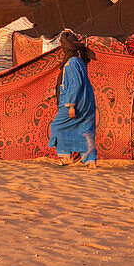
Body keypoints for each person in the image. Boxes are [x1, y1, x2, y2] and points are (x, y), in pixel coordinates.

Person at [49, 31, 97, 166]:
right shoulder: (79, 61)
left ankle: (65, 156)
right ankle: (90, 160)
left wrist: (71, 105)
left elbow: (75, 84)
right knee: (85, 129)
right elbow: (70, 83)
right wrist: (55, 93)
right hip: (87, 101)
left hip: (76, 102)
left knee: (58, 126)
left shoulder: (72, 63)